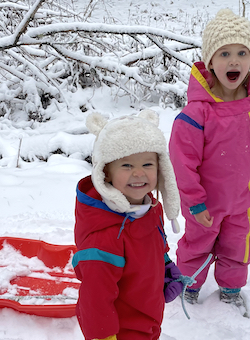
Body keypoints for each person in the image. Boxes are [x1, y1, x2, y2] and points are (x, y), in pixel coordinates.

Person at [168, 8, 250, 315]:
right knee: (197, 246)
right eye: (224, 54)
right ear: (210, 62)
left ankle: (231, 291)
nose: (234, 61)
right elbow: (183, 165)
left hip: (245, 201)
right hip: (205, 204)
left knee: (238, 247)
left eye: (242, 53)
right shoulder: (196, 114)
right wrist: (195, 203)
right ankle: (188, 287)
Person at [72, 110, 184, 340]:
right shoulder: (105, 237)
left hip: (147, 319)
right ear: (106, 173)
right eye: (126, 165)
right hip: (121, 332)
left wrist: (164, 266)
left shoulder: (150, 209)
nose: (139, 172)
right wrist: (104, 337)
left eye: (147, 163)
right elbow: (95, 299)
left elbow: (152, 247)